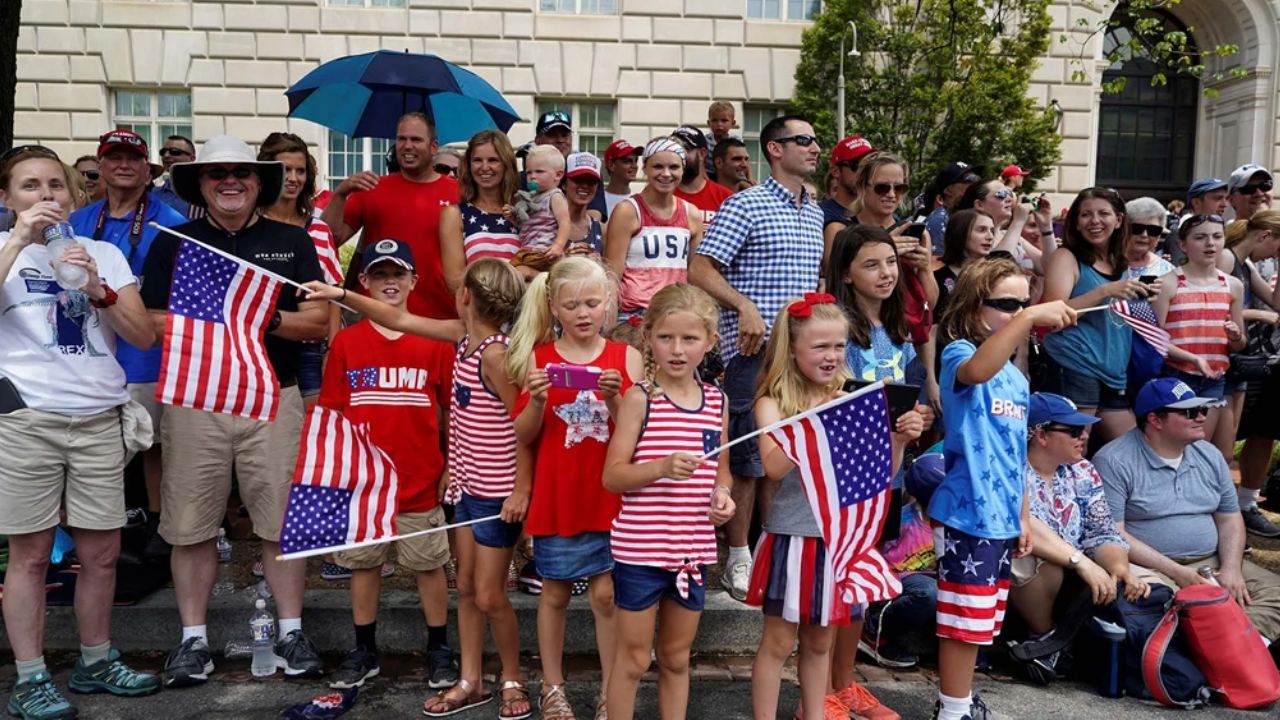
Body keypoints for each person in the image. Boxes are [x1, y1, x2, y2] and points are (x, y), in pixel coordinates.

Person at [139, 135, 329, 687]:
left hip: (274, 394)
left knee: (279, 524)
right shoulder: (173, 239)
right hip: (198, 400)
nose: (230, 181)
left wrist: (257, 320)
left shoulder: (290, 242)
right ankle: (192, 640)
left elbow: (318, 324)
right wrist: (217, 328)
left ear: (258, 182)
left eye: (242, 173)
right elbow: (153, 323)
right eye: (217, 172)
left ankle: (291, 629)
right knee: (191, 526)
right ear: (200, 183)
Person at [305, 259, 533, 718]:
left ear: (466, 295)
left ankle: (512, 677)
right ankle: (470, 679)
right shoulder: (462, 337)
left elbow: (525, 428)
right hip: (467, 489)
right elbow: (399, 318)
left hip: (496, 494)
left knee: (490, 595)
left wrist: (522, 488)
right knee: (466, 588)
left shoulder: (495, 353)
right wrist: (340, 295)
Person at [0, 145, 160, 719]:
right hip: (28, 418)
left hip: (98, 416)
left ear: (73, 195)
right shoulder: (5, 250)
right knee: (32, 555)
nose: (46, 196)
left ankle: (95, 661)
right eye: (29, 186)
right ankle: (30, 676)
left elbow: (142, 336)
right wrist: (18, 240)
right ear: (7, 198)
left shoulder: (101, 252)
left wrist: (99, 289)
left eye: (56, 185)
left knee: (102, 553)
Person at [748, 295, 922, 720]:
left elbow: (876, 474)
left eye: (839, 346)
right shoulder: (772, 401)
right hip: (794, 536)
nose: (831, 356)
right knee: (777, 643)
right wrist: (814, 420)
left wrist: (898, 439)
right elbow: (773, 467)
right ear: (792, 350)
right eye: (820, 346)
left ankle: (815, 713)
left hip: (841, 540)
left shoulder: (854, 395)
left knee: (820, 643)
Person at [304, 239, 461, 695]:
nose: (389, 282)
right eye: (379, 275)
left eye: (398, 274)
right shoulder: (348, 343)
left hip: (419, 476)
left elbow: (450, 412)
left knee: (429, 564)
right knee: (364, 565)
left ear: (413, 281)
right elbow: (333, 415)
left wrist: (452, 463)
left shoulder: (434, 341)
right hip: (364, 484)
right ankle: (363, 648)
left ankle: (438, 646)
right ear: (363, 282)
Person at [930, 257, 1075, 720]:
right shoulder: (959, 353)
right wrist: (1031, 316)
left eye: (1023, 302)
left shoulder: (1015, 376)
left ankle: (961, 700)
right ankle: (952, 711)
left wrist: (1024, 513)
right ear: (974, 309)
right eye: (1006, 304)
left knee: (981, 621)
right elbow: (974, 372)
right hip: (966, 511)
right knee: (962, 622)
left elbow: (1014, 452)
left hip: (1000, 514)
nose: (1017, 311)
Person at [689, 114, 825, 602]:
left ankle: (767, 549)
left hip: (799, 354)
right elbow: (699, 267)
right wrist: (743, 305)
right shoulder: (746, 204)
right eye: (803, 140)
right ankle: (739, 557)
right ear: (774, 149)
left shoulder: (814, 210)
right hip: (752, 350)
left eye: (815, 141)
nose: (814, 148)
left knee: (786, 453)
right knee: (746, 457)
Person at [508, 257, 642, 720]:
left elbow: (639, 430)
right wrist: (537, 400)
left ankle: (611, 690)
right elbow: (523, 434)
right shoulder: (538, 357)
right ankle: (552, 685)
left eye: (592, 302)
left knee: (607, 596)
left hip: (611, 494)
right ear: (554, 306)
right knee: (555, 593)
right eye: (572, 305)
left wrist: (613, 397)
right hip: (560, 490)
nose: (583, 313)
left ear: (608, 302)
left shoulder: (626, 357)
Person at [603, 284, 736, 720]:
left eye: (689, 339)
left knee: (677, 658)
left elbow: (722, 471)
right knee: (635, 659)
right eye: (666, 338)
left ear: (710, 342)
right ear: (649, 338)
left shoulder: (717, 401)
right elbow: (613, 476)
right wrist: (659, 467)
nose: (677, 350)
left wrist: (723, 498)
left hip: (691, 552)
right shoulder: (641, 398)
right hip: (641, 552)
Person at [68, 129, 187, 559]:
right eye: (113, 157)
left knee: (153, 443)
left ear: (147, 170)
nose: (123, 165)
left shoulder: (169, 223)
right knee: (95, 447)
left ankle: (157, 525)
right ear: (99, 166)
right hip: (89, 351)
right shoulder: (79, 221)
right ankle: (104, 525)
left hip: (146, 352)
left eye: (132, 159)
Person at [1094, 377, 1280, 650]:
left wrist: (1231, 568)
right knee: (1166, 607)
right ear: (1156, 420)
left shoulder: (1210, 455)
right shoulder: (1114, 460)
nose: (1202, 417)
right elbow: (1114, 534)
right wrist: (1177, 572)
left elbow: (1229, 517)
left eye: (1203, 410)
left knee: (1273, 593)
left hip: (1211, 560)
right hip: (1153, 567)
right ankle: (1243, 650)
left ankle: (1239, 648)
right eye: (1190, 412)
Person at [1007, 393, 1149, 685]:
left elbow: (1102, 530)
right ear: (1041, 435)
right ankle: (1045, 639)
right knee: (1030, 553)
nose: (1084, 436)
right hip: (1021, 583)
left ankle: (1054, 648)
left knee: (1132, 581)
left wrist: (1119, 568)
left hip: (1075, 578)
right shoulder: (1011, 468)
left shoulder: (1082, 470)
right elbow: (1024, 528)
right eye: (1073, 431)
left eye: (1083, 429)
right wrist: (1081, 563)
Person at [322, 112, 460, 319]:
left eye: (416, 139)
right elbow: (330, 239)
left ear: (433, 147)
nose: (407, 146)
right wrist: (341, 193)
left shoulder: (458, 192)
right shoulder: (372, 188)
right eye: (401, 139)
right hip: (378, 316)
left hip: (438, 317)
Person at [1041, 187, 1147, 443]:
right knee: (1073, 448)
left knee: (1131, 452)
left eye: (1103, 213)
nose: (1095, 221)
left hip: (1114, 373)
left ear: (1119, 220)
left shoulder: (1119, 261)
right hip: (1076, 364)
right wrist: (1105, 291)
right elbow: (1052, 315)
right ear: (1076, 223)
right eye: (1086, 215)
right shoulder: (1066, 257)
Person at [257, 132, 344, 408]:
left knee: (308, 433)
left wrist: (332, 349)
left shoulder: (318, 229)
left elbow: (334, 296)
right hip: (262, 342)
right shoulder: (251, 226)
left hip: (310, 349)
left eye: (300, 170)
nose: (293, 178)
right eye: (285, 170)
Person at [1152, 214, 1246, 443]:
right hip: (1176, 373)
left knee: (1199, 445)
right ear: (1183, 245)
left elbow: (1240, 343)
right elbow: (1155, 340)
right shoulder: (1167, 283)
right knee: (1174, 444)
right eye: (1200, 237)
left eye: (1217, 236)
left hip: (1214, 376)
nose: (1210, 243)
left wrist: (1235, 336)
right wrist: (1193, 359)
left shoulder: (1233, 285)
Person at [1222, 211, 1280, 538]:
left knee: (1246, 437)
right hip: (1226, 359)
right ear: (1264, 236)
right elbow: (1211, 302)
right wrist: (1259, 313)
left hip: (1246, 359)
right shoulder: (1228, 260)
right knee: (1224, 442)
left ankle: (1241, 508)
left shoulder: (1248, 265)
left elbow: (1277, 302)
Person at [605, 138, 701, 321]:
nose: (666, 174)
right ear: (645, 168)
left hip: (676, 314)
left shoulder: (691, 214)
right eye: (658, 167)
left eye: (674, 167)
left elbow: (695, 275)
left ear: (682, 170)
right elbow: (612, 275)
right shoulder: (628, 211)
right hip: (633, 315)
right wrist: (609, 324)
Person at [439, 130, 522, 294]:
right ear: (468, 165)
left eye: (493, 160)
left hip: (525, 314)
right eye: (477, 160)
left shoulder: (523, 211)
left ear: (506, 164)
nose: (484, 167)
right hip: (479, 314)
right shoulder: (455, 215)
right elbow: (455, 283)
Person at [531, 110, 609, 222]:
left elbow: (594, 216)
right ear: (538, 140)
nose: (560, 140)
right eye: (552, 135)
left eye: (565, 135)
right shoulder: (526, 176)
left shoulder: (586, 171)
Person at [508, 145, 571, 278]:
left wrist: (558, 246)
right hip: (527, 250)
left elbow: (565, 223)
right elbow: (526, 225)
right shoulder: (530, 198)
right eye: (529, 172)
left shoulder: (555, 196)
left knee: (513, 273)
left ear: (558, 175)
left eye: (539, 171)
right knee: (512, 274)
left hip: (544, 251)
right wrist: (513, 218)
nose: (532, 177)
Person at [820, 135, 875, 262]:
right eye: (857, 165)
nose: (865, 172)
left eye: (870, 166)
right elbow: (833, 271)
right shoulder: (820, 215)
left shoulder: (879, 213)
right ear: (836, 172)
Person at [934, 209, 996, 318]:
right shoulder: (937, 279)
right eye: (981, 230)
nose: (990, 236)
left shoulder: (998, 274)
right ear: (960, 233)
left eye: (992, 231)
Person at [672, 125, 732, 224]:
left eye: (686, 149)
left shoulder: (725, 198)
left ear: (702, 153)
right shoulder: (662, 195)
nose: (680, 155)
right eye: (675, 149)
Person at [923, 161, 980, 256]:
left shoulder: (962, 218)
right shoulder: (940, 219)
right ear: (948, 190)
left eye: (977, 179)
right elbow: (937, 265)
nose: (975, 185)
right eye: (969, 180)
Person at [1172, 178, 1230, 264]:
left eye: (1217, 237)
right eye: (1218, 198)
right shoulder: (1177, 236)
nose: (1224, 204)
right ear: (1196, 203)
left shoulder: (1228, 233)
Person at [563, 152, 606, 257]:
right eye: (578, 180)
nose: (585, 185)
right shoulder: (547, 224)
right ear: (564, 184)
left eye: (591, 182)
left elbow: (611, 271)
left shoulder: (603, 230)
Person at [151, 135, 199, 219]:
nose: (166, 155)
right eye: (163, 152)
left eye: (174, 152)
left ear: (192, 158)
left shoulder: (204, 193)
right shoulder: (154, 194)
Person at [603, 139, 641, 216]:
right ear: (611, 165)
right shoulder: (596, 201)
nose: (634, 166)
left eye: (635, 161)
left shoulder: (640, 202)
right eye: (627, 161)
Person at [704, 101, 739, 182]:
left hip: (730, 174)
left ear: (733, 123)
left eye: (724, 120)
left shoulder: (736, 140)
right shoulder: (705, 141)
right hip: (710, 175)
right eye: (714, 120)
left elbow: (745, 161)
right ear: (709, 123)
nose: (719, 124)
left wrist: (750, 177)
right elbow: (701, 163)